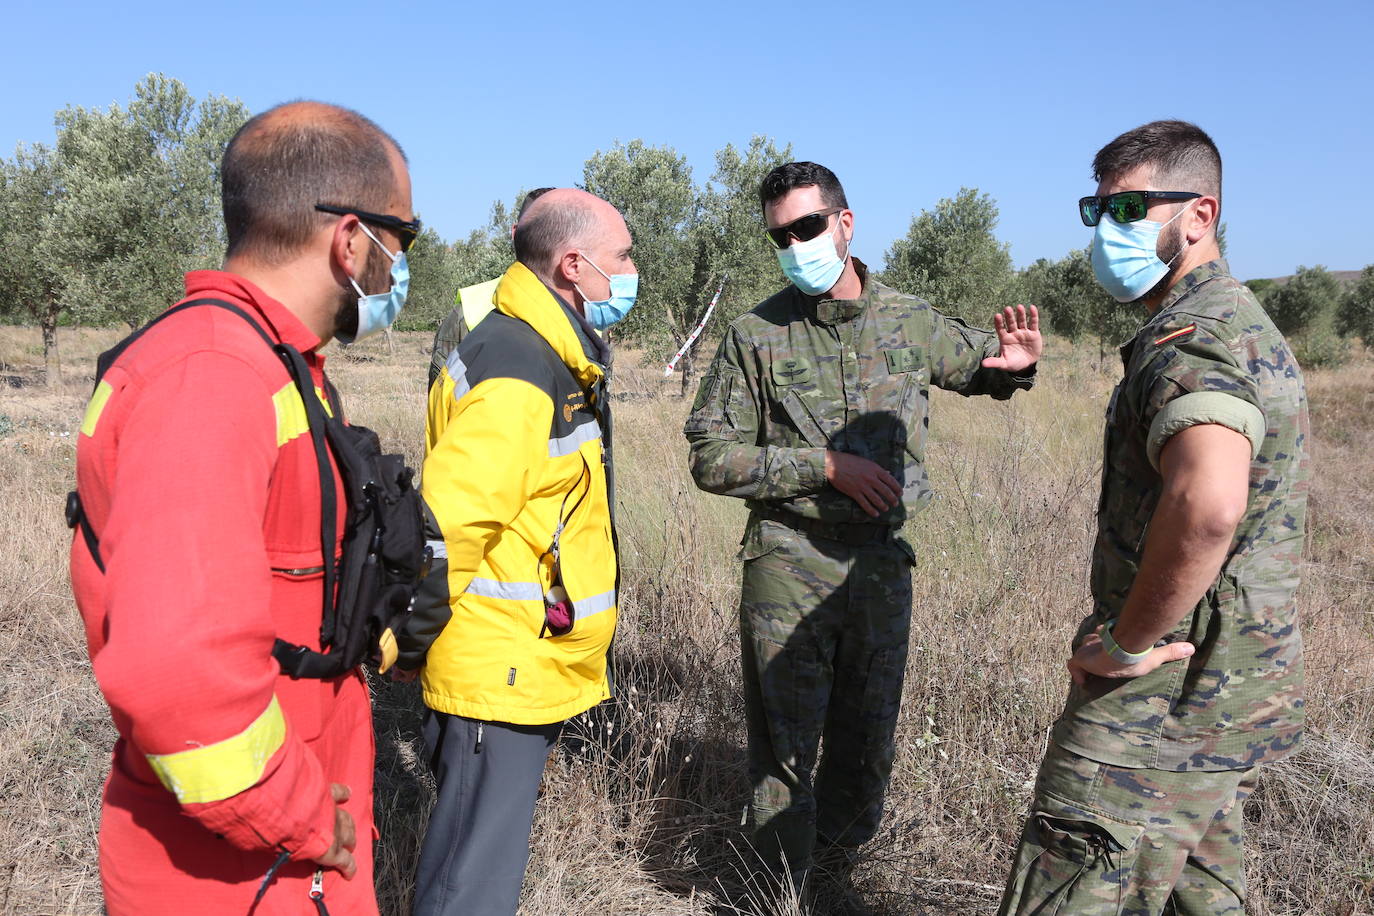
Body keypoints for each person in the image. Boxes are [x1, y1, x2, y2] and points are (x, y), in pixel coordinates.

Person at [68, 102, 415, 914]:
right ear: (352, 238)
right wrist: (296, 815)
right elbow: (176, 674)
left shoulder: (269, 362)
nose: (401, 266)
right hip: (233, 871)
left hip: (281, 854)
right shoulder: (211, 376)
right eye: (405, 239)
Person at [683, 161, 1041, 903]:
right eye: (780, 235)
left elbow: (980, 363)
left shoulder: (907, 319)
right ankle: (775, 893)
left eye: (807, 227)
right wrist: (822, 466)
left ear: (845, 224)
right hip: (788, 563)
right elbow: (712, 458)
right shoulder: (755, 334)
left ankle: (834, 880)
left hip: (879, 569)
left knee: (865, 745)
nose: (794, 245)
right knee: (784, 755)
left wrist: (1012, 367)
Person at [999, 121, 1309, 915]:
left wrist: (1129, 642)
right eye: (1098, 210)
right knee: (1200, 895)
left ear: (1198, 215)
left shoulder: (1192, 338)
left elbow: (1209, 505)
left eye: (1133, 209)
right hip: (1228, 692)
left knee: (1067, 883)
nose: (1110, 231)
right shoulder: (1245, 325)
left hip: (1161, 693)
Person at [393, 188, 633, 915]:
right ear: (572, 265)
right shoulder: (522, 367)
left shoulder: (542, 350)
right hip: (497, 666)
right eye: (621, 258)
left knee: (480, 865)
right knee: (470, 882)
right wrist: (403, 642)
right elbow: (452, 522)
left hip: (516, 660)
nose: (628, 273)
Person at [426, 187, 554, 388]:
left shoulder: (590, 316)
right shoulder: (468, 312)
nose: (545, 240)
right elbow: (440, 402)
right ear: (515, 233)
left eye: (556, 230)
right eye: (536, 229)